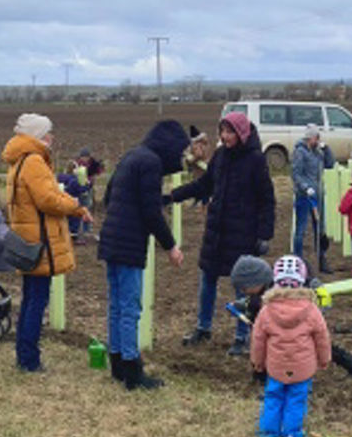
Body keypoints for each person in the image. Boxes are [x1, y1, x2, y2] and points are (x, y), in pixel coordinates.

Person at [170, 111, 276, 356]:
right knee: (207, 281)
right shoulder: (220, 156)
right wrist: (174, 195)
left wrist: (264, 234)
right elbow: (204, 184)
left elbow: (267, 199)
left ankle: (242, 336)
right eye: (223, 131)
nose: (225, 136)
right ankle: (203, 327)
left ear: (241, 133)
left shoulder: (255, 160)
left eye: (230, 132)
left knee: (243, 288)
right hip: (216, 232)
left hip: (243, 234)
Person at [97, 120, 188, 391]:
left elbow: (110, 196)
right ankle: (132, 371)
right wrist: (170, 246)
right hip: (129, 244)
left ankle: (117, 363)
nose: (180, 157)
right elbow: (151, 213)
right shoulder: (151, 163)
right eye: (179, 151)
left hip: (112, 239)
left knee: (117, 305)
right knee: (130, 308)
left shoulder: (132, 156)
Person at [3, 113, 92, 373]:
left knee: (30, 297)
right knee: (36, 300)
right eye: (47, 133)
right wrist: (75, 206)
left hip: (27, 240)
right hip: (40, 243)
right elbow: (48, 200)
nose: (51, 137)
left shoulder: (19, 160)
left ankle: (25, 355)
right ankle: (29, 359)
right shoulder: (34, 161)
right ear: (37, 136)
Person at [251, 255, 331, 437]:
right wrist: (324, 359)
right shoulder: (311, 309)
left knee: (273, 396)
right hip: (303, 368)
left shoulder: (267, 310)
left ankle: (269, 432)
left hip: (276, 366)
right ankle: (292, 433)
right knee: (297, 398)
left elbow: (258, 339)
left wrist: (257, 362)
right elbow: (322, 337)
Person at [290, 124, 335, 274]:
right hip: (304, 196)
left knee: (320, 228)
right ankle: (297, 261)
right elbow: (296, 174)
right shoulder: (300, 152)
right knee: (301, 229)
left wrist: (327, 149)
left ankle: (322, 259)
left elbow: (330, 164)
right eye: (317, 137)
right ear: (311, 138)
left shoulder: (318, 152)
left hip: (318, 195)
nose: (319, 140)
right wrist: (305, 187)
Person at [56, 161, 90, 243]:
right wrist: (88, 185)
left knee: (66, 218)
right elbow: (81, 189)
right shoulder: (74, 180)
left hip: (63, 200)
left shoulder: (60, 177)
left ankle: (64, 234)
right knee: (74, 219)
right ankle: (73, 236)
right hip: (73, 200)